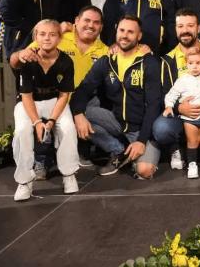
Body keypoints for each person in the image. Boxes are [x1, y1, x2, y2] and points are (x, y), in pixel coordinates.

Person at [11, 5, 109, 176]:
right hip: (52, 95)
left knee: (95, 110)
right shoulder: (57, 36)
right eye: (86, 20)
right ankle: (41, 159)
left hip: (82, 98)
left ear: (101, 27)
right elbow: (15, 60)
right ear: (76, 22)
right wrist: (20, 55)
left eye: (96, 23)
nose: (91, 26)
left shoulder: (106, 51)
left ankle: (82, 152)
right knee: (37, 117)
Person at [70, 15, 163, 179]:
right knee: (77, 112)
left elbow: (154, 104)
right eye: (121, 30)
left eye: (130, 32)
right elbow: (83, 90)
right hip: (116, 122)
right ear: (116, 31)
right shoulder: (106, 61)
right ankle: (118, 151)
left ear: (139, 36)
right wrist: (78, 115)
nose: (125, 35)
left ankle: (137, 150)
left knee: (144, 171)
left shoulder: (149, 62)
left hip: (141, 129)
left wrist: (141, 140)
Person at [12, 19, 78, 201]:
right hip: (29, 103)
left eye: (52, 34)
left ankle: (69, 175)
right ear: (35, 37)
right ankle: (24, 182)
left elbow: (64, 95)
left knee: (68, 128)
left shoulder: (66, 61)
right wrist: (36, 122)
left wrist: (51, 121)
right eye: (42, 34)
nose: (47, 38)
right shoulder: (28, 59)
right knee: (22, 131)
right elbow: (26, 95)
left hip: (55, 102)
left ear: (59, 38)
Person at [158, 8, 200, 171]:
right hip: (183, 117)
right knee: (161, 128)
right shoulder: (167, 60)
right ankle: (177, 148)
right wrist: (179, 108)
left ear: (198, 28)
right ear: (175, 29)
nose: (185, 30)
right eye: (180, 26)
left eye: (190, 25)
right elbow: (165, 94)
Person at [163, 47, 200, 179]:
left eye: (198, 63)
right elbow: (171, 95)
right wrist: (169, 106)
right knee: (192, 141)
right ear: (186, 64)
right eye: (191, 63)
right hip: (189, 119)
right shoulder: (182, 81)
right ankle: (192, 164)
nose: (194, 66)